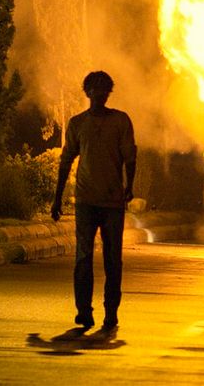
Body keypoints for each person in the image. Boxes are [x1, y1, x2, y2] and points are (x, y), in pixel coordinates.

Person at [52, 71, 137, 330]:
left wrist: (128, 187)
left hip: (112, 202)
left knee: (113, 260)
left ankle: (111, 312)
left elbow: (130, 157)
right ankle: (84, 311)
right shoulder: (77, 124)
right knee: (83, 258)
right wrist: (57, 199)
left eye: (103, 90)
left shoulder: (121, 121)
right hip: (86, 201)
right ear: (87, 92)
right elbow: (66, 160)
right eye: (94, 89)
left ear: (109, 92)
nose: (99, 94)